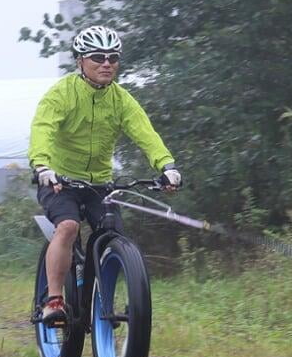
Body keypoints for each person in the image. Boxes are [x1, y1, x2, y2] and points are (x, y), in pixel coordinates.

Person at [28, 25, 181, 326]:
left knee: (114, 236)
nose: (106, 63)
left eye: (113, 57)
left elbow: (144, 133)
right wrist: (43, 166)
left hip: (100, 184)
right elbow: (42, 129)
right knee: (69, 226)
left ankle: (102, 297)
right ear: (80, 61)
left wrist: (167, 166)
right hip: (60, 182)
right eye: (97, 57)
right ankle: (54, 300)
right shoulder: (61, 93)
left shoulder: (121, 99)